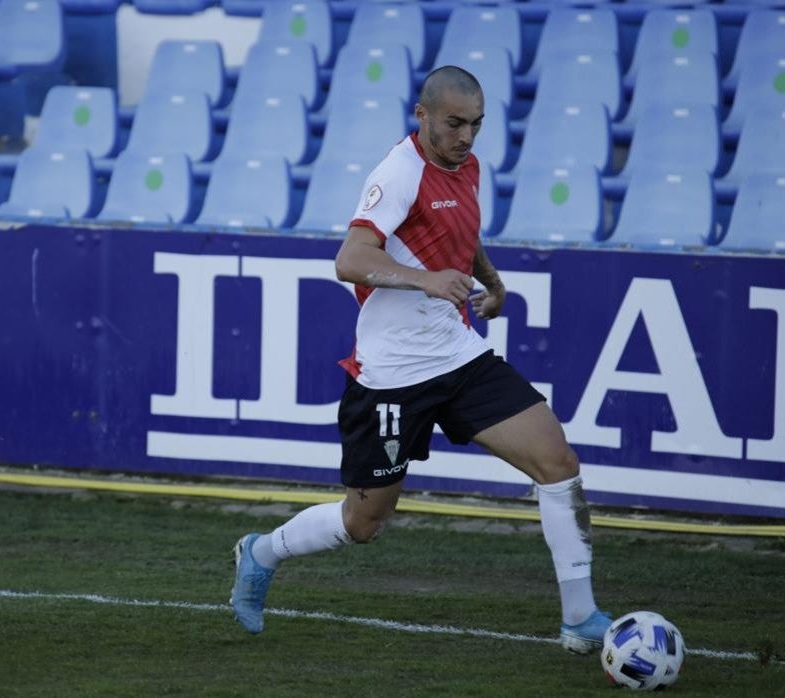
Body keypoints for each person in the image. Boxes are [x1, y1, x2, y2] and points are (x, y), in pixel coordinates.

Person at [229, 66, 612, 653]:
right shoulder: (399, 173)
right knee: (364, 524)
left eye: (476, 125)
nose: (466, 137)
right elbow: (350, 259)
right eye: (455, 123)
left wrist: (492, 281)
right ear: (422, 115)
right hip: (391, 376)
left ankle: (580, 620)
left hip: (458, 356)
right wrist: (425, 280)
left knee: (557, 461)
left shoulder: (469, 166)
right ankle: (260, 551)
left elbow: (461, 232)